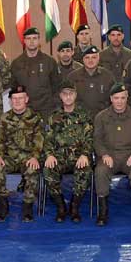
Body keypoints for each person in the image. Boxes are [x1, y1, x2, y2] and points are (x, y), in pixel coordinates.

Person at [94, 83, 131, 225]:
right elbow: (97, 140)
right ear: (111, 98)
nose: (119, 101)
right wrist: (104, 154)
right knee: (100, 171)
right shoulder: (101, 117)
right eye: (116, 98)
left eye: (122, 98)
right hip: (109, 155)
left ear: (127, 98)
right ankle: (103, 211)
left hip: (130, 155)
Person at [42, 82, 94, 223]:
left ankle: (74, 206)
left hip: (79, 157)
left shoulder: (84, 115)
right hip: (59, 157)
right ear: (60, 96)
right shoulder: (53, 116)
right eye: (65, 94)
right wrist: (49, 155)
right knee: (48, 169)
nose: (68, 96)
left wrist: (85, 154)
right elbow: (47, 139)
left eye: (71, 93)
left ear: (75, 95)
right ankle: (61, 207)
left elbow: (90, 138)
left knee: (85, 170)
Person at [0, 85, 44, 222]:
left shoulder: (35, 118)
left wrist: (35, 157)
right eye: (14, 98)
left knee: (33, 169)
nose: (17, 101)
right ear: (10, 101)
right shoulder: (4, 119)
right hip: (9, 158)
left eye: (20, 98)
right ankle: (3, 205)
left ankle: (27, 207)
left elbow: (39, 140)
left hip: (28, 158)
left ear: (26, 99)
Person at [11, 27, 62, 117]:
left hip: (47, 110)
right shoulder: (16, 63)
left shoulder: (49, 61)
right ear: (24, 41)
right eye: (28, 38)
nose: (31, 41)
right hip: (25, 111)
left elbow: (57, 86)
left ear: (39, 40)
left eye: (34, 38)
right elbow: (13, 88)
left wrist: (55, 106)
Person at [68, 45, 115, 116]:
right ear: (83, 59)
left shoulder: (107, 76)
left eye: (94, 57)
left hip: (103, 118)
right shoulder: (73, 77)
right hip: (79, 118)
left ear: (98, 59)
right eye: (87, 57)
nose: (90, 60)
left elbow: (114, 98)